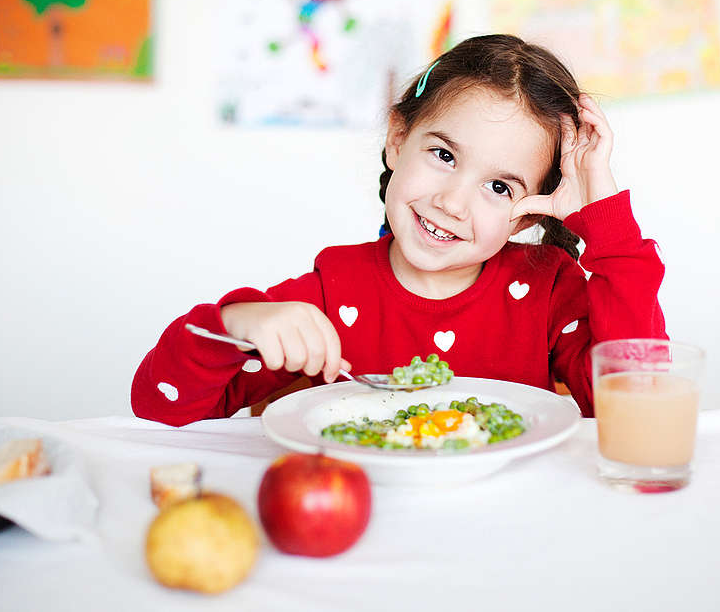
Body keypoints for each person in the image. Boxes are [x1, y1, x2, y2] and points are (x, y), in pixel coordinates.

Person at [132, 34, 666, 427]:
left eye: (500, 188)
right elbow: (159, 406)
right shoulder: (332, 290)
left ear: (529, 214)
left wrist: (605, 217)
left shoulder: (547, 290)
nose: (452, 202)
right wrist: (237, 322)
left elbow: (638, 412)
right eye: (443, 154)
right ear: (396, 140)